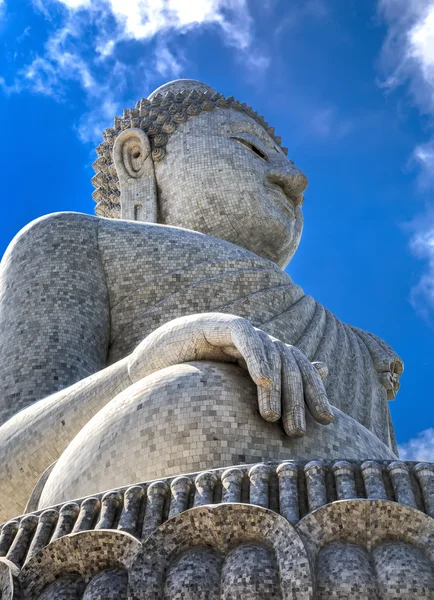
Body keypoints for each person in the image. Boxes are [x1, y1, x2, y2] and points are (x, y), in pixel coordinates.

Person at [0, 80, 402, 519]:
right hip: (120, 527)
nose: (295, 180)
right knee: (192, 397)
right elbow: (8, 477)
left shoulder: (357, 347)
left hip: (367, 546)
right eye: (251, 149)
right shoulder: (75, 243)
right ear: (137, 159)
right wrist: (144, 368)